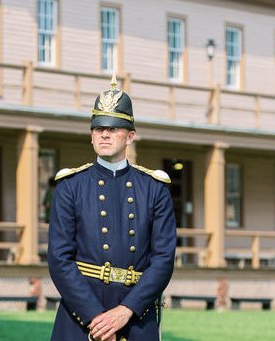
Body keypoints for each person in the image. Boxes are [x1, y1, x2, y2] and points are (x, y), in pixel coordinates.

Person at [48, 75, 177, 341]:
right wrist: (96, 319)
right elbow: (59, 260)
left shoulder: (154, 188)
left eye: (114, 128)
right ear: (91, 135)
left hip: (136, 315)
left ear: (130, 136)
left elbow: (163, 259)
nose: (104, 134)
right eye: (98, 128)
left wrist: (125, 311)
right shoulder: (70, 186)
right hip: (81, 317)